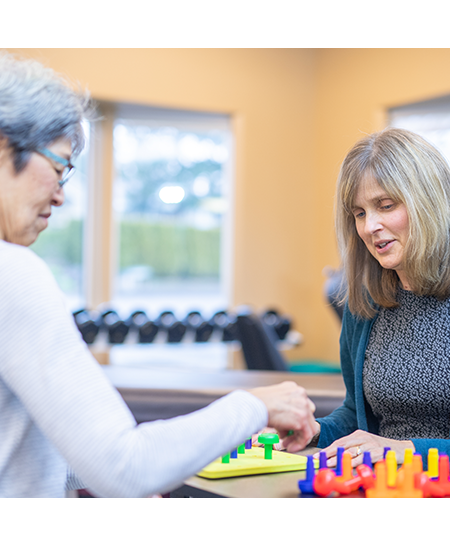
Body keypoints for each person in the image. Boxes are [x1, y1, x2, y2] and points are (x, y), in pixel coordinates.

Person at [0, 51, 317, 497]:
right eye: (59, 167)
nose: (60, 196)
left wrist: (156, 463)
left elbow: (15, 456)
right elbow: (127, 468)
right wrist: (255, 405)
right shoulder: (12, 273)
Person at [288, 127, 450, 470]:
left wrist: (402, 450)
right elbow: (357, 413)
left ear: (429, 203)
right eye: (359, 213)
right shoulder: (364, 303)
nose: (369, 226)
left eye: (385, 205)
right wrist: (315, 431)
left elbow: (384, 446)